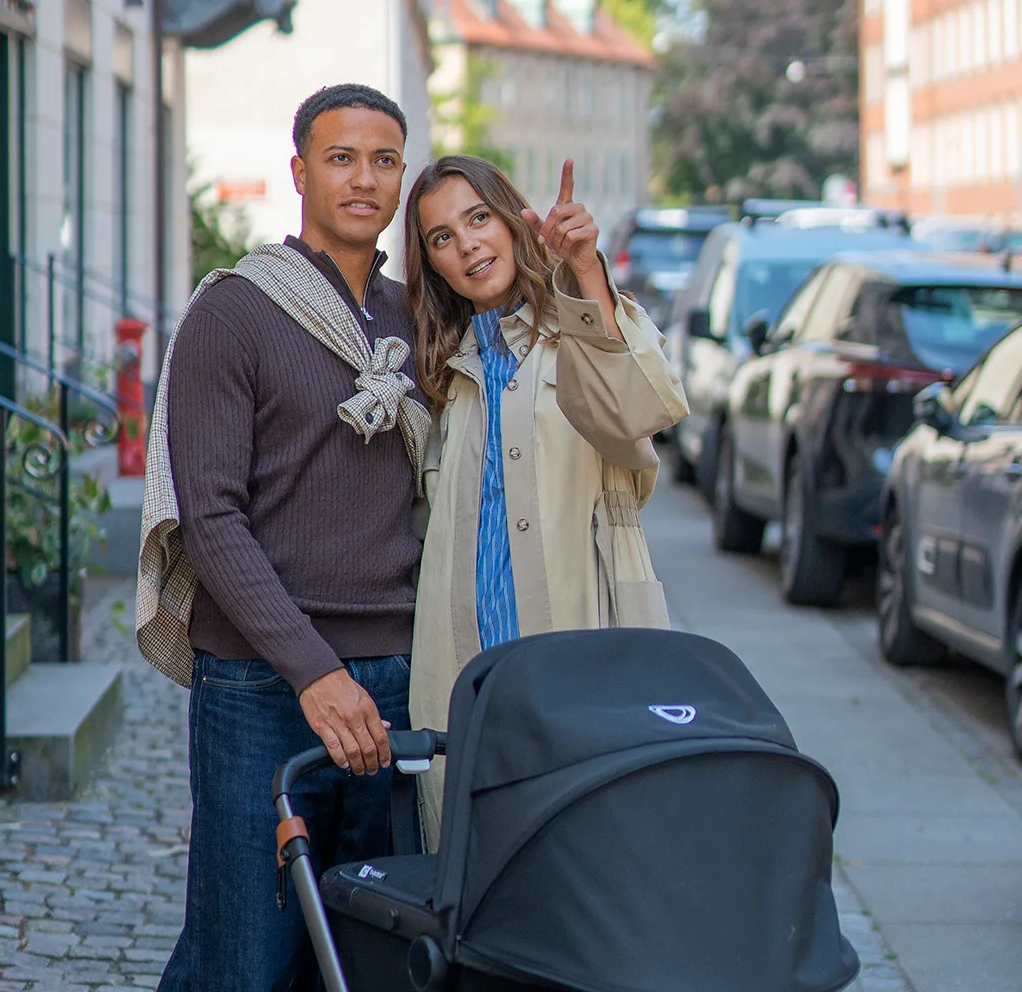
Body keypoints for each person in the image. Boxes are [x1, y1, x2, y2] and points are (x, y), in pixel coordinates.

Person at [138, 84, 429, 992]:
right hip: (260, 685)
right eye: (341, 158)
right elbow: (211, 518)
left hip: (398, 678)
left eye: (384, 160)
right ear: (300, 171)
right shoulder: (236, 311)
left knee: (366, 954)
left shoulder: (414, 317)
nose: (363, 179)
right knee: (243, 957)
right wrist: (315, 673)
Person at [402, 155, 690, 848]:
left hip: (582, 657)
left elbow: (645, 411)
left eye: (478, 218)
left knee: (588, 869)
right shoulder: (442, 374)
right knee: (474, 877)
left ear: (511, 221)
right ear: (432, 265)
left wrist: (587, 273)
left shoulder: (584, 332)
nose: (467, 243)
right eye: (442, 237)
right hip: (469, 678)